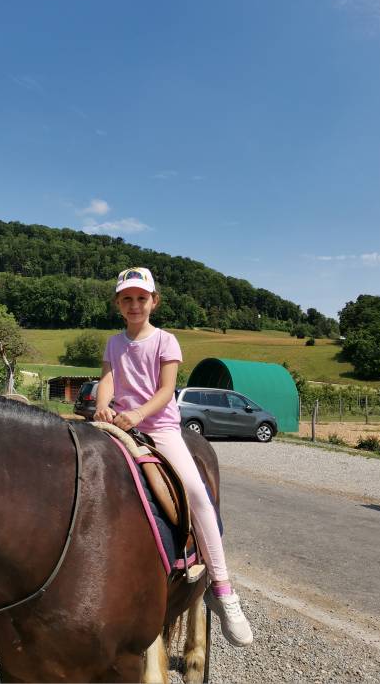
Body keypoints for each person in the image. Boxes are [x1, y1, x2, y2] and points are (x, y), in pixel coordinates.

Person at [94, 267, 253, 647]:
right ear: (118, 304)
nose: (134, 305)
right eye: (127, 299)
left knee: (197, 494)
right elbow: (107, 380)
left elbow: (166, 391)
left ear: (154, 302)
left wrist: (137, 413)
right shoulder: (114, 343)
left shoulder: (166, 340)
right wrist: (102, 405)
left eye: (141, 298)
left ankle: (223, 587)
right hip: (118, 423)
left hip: (159, 428)